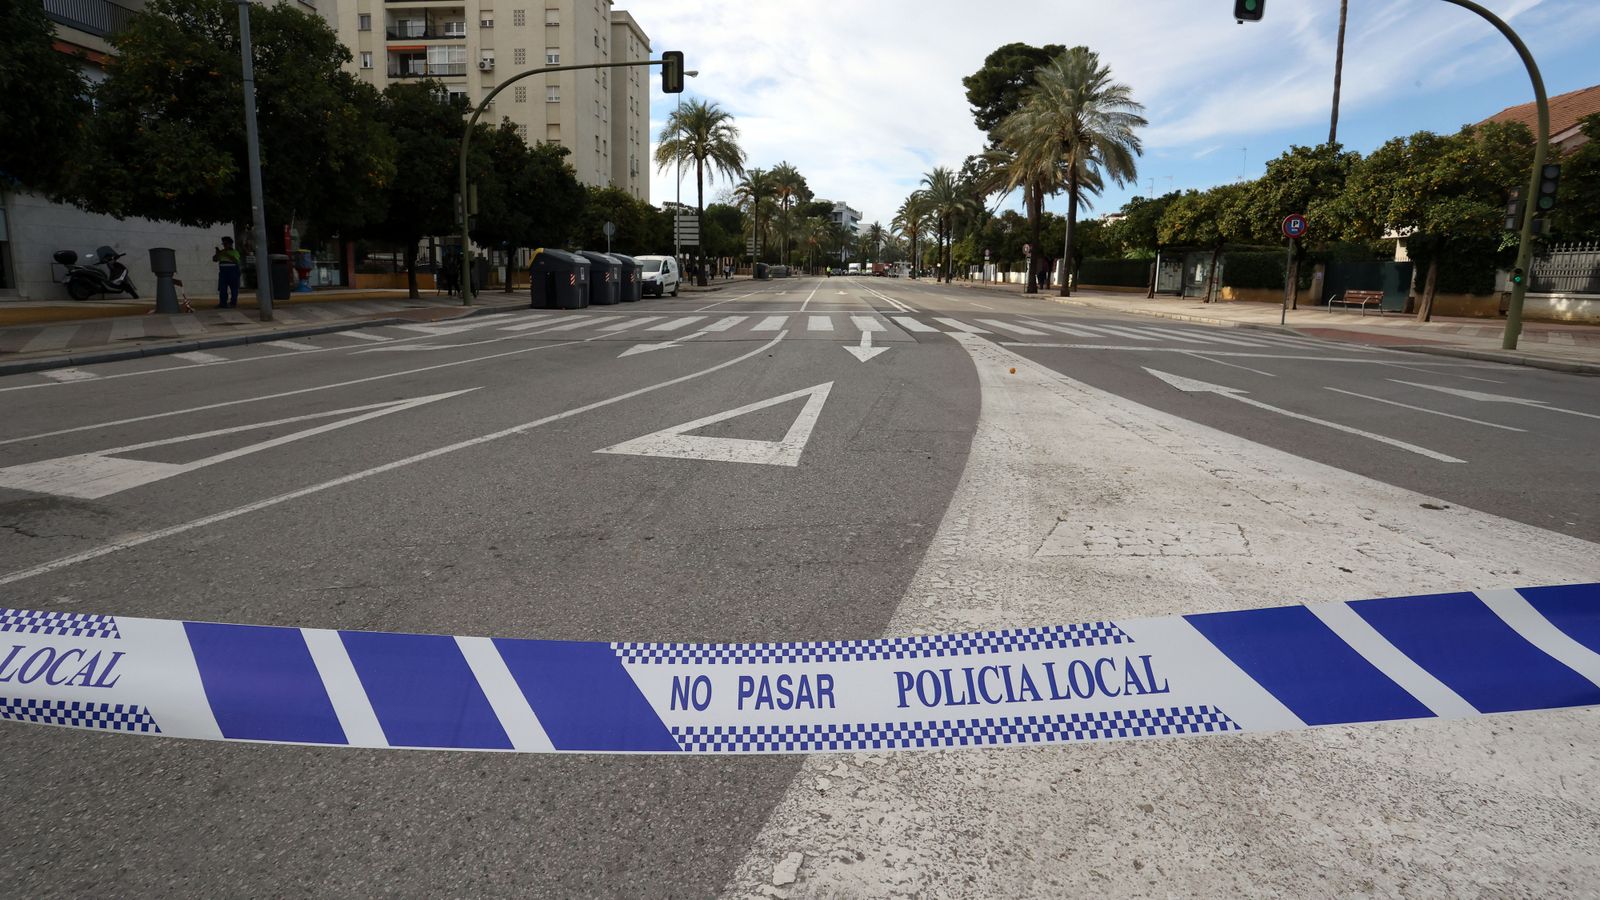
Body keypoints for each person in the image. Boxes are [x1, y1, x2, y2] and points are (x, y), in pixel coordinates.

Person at [212, 236, 242, 308]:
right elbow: (215, 259)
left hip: (233, 273)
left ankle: (233, 303)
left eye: (226, 244)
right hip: (223, 273)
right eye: (224, 244)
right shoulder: (222, 252)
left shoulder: (234, 252)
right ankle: (223, 303)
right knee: (222, 289)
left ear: (230, 244)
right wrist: (217, 253)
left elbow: (235, 260)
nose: (224, 246)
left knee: (234, 288)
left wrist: (226, 254)